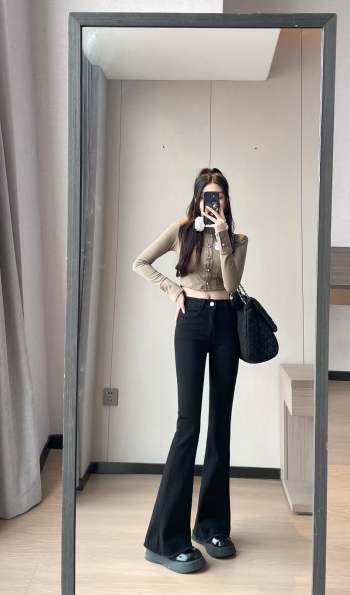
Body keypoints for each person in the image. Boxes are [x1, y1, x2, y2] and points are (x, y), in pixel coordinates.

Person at [132, 167, 248, 574]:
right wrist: (172, 289)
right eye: (207, 196)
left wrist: (222, 236)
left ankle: (212, 526)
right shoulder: (182, 230)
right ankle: (165, 539)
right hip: (192, 322)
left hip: (226, 325)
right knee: (188, 426)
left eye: (219, 196)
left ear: (226, 201)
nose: (213, 202)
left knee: (220, 424)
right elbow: (141, 262)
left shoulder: (237, 239)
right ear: (198, 198)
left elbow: (231, 284)